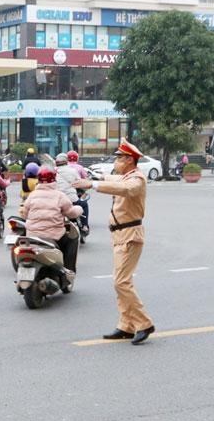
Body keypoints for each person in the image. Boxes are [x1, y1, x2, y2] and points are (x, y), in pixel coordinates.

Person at [74, 139, 155, 345]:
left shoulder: (137, 179)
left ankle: (143, 323)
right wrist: (95, 176)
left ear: (129, 159)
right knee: (120, 282)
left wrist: (92, 184)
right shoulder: (126, 175)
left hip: (130, 235)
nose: (116, 161)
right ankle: (126, 325)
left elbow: (126, 189)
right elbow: (116, 180)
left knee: (121, 282)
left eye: (119, 157)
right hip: (119, 234)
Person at [23, 167, 82, 273]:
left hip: (32, 236)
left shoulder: (32, 195)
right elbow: (71, 213)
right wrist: (79, 209)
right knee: (72, 239)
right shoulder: (60, 196)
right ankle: (69, 270)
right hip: (53, 236)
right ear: (54, 179)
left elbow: (25, 215)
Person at [55, 153, 88, 233]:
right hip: (72, 200)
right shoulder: (73, 171)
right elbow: (80, 182)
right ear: (66, 161)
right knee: (84, 205)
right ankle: (84, 225)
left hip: (56, 201)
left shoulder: (53, 171)